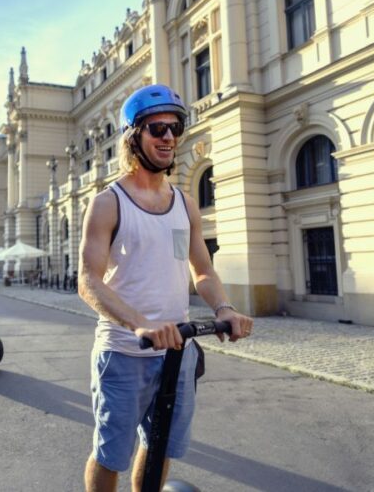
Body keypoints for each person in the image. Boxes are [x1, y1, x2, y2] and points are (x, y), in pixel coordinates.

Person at [78, 84, 254, 492]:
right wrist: (139, 324)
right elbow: (87, 281)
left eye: (175, 128)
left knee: (159, 447)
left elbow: (201, 269)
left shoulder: (184, 204)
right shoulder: (109, 203)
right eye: (158, 128)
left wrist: (224, 308)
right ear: (133, 136)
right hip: (124, 352)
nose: (169, 137)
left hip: (177, 351)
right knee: (110, 456)